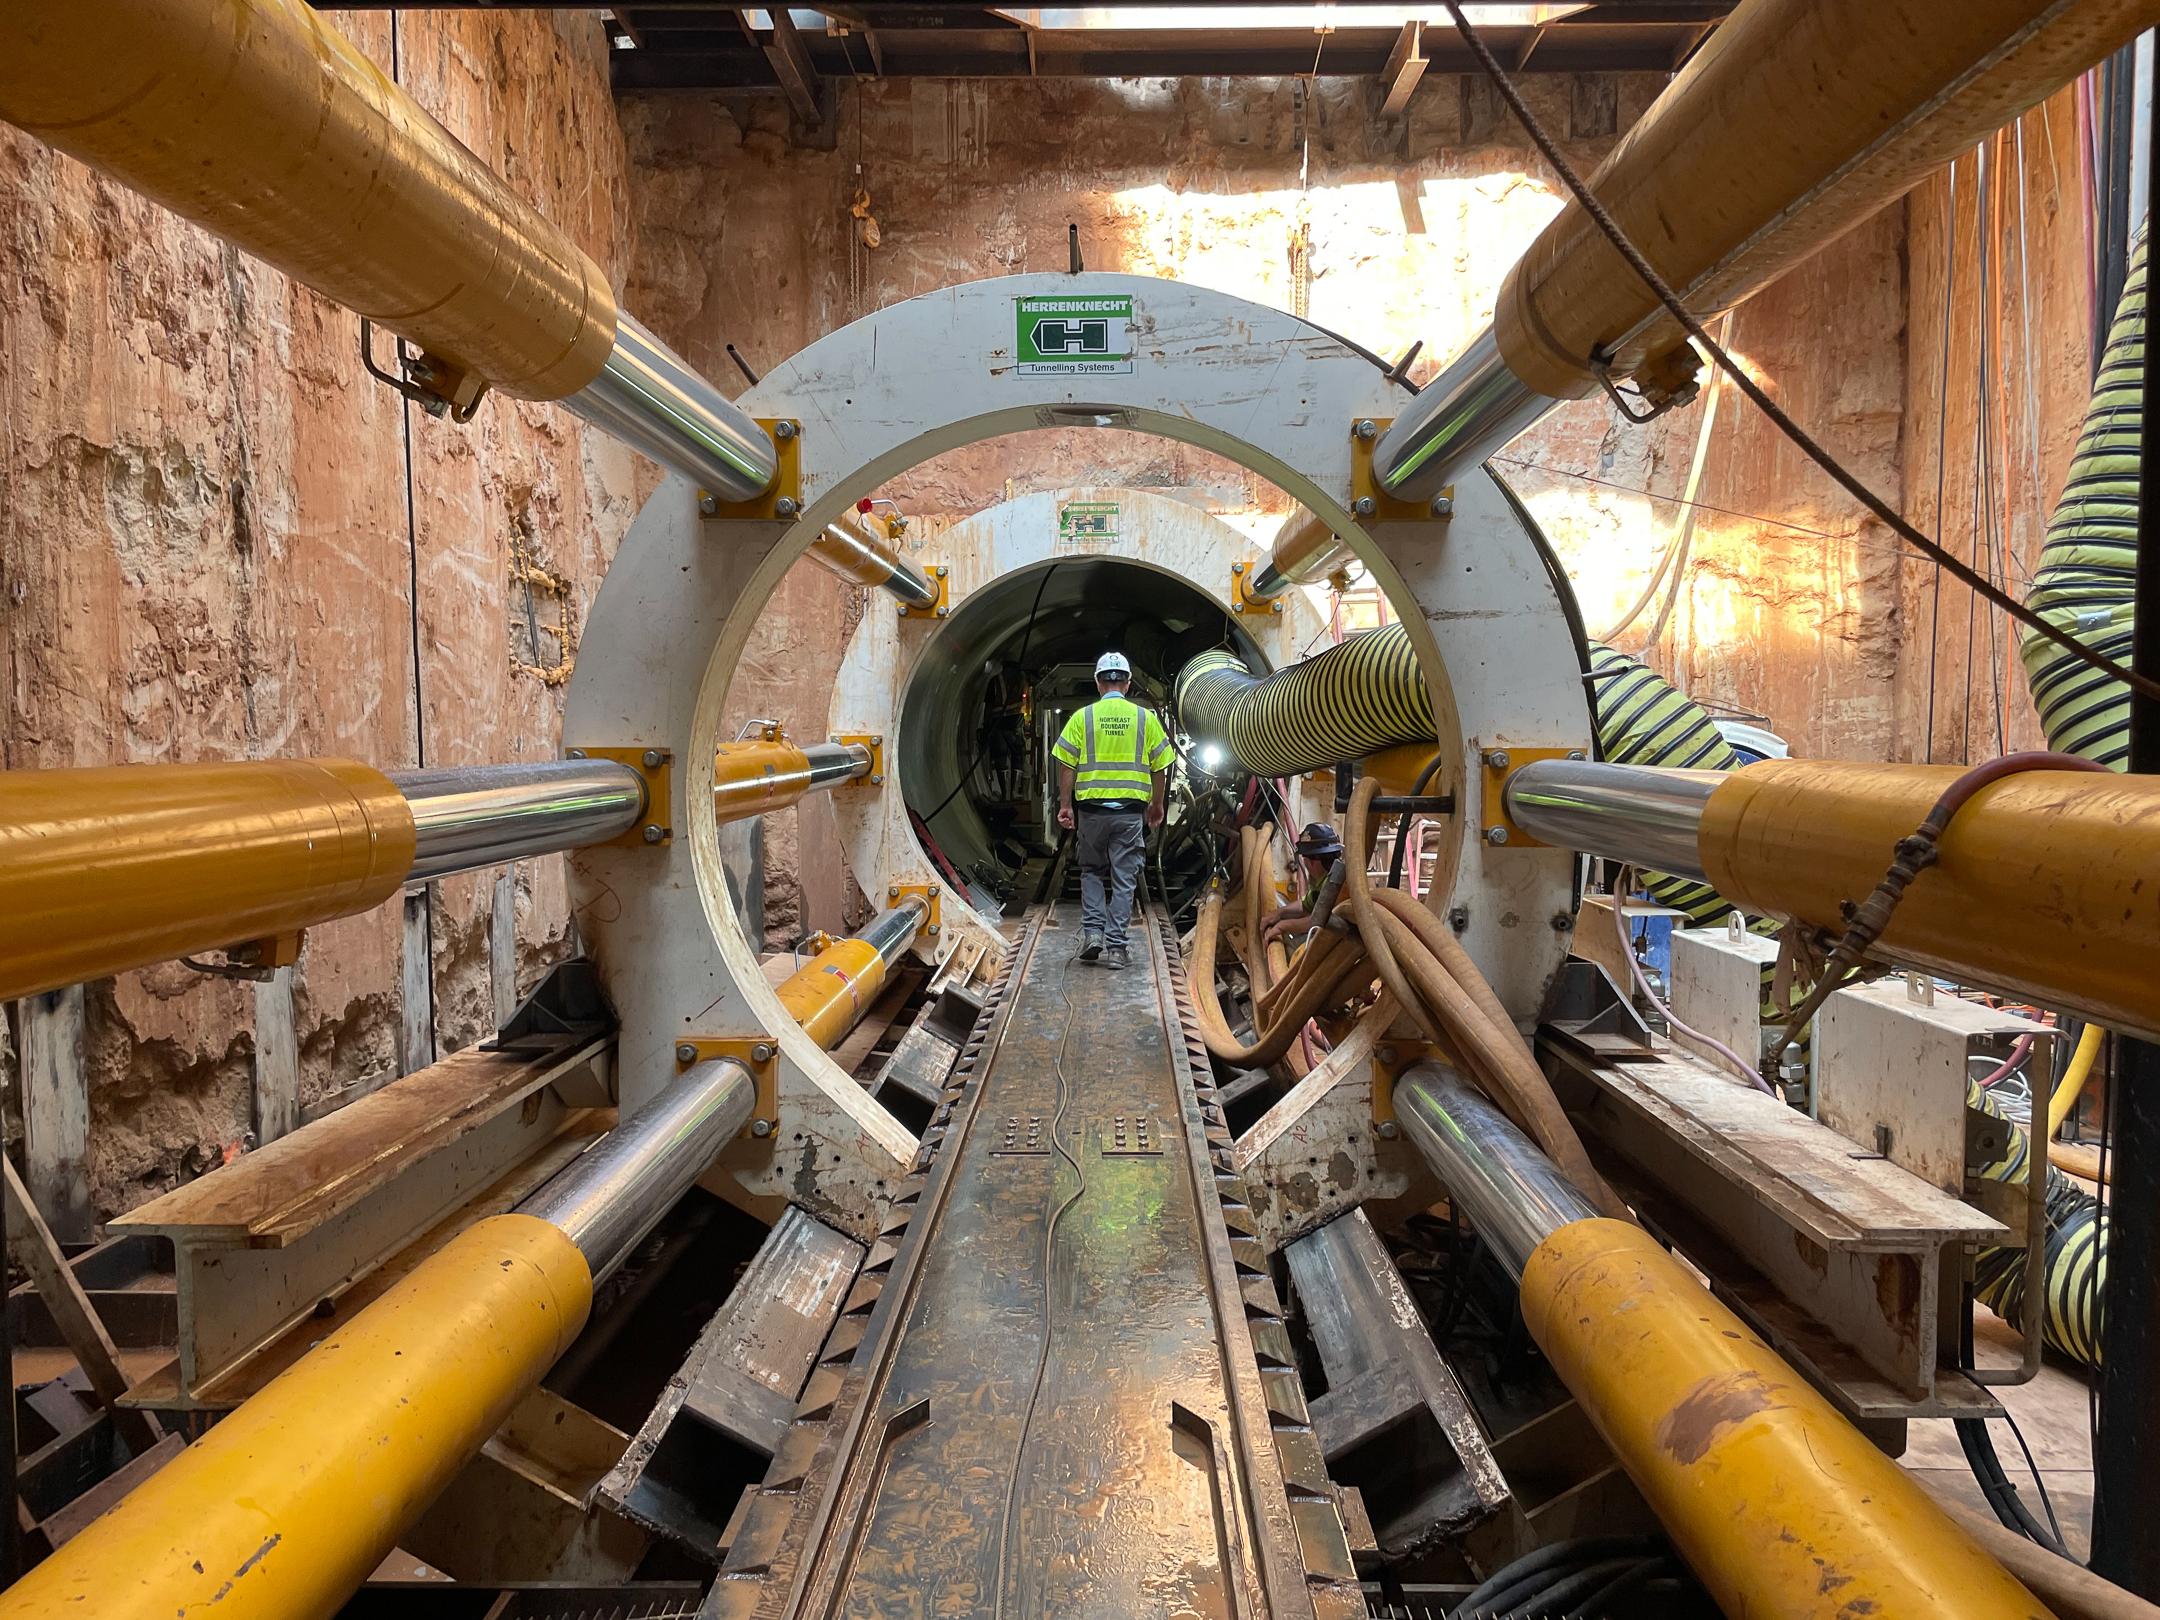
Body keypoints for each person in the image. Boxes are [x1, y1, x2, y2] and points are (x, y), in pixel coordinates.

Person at [1052, 652, 1173, 969]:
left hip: (1091, 813)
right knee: (1124, 879)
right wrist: (1157, 805)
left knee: (1091, 871)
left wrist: (1066, 806)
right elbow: (1161, 766)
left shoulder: (1082, 717)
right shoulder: (1145, 718)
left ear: (1098, 682)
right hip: (1130, 815)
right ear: (1129, 684)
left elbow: (1067, 764)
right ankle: (1116, 949)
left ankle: (1093, 934)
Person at [1262, 822, 1347, 944]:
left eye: (1305, 860)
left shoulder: (1335, 884)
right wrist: (1279, 913)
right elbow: (1305, 905)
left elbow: (1317, 922)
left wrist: (1282, 926)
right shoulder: (1324, 878)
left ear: (1312, 862)